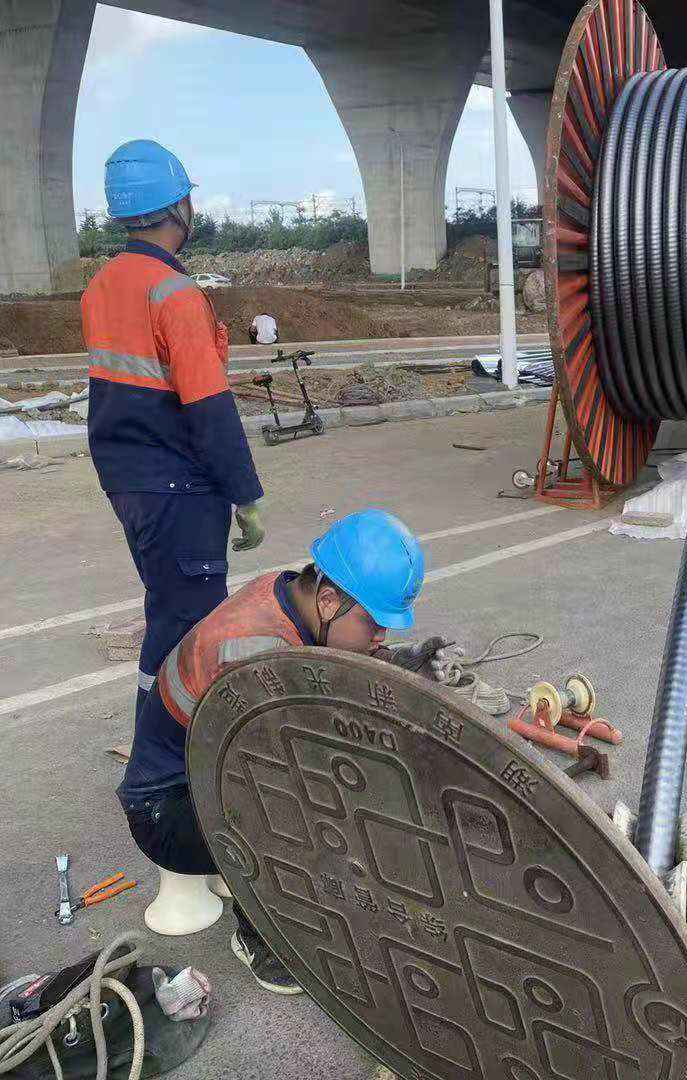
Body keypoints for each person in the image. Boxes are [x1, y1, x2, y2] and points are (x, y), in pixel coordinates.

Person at [119, 509, 448, 994]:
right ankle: (262, 938)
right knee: (315, 812)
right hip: (163, 812)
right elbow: (287, 772)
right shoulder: (258, 656)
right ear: (329, 600)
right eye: (374, 624)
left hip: (198, 773)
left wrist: (394, 665)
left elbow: (321, 666)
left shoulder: (288, 593)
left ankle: (237, 872)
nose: (382, 636)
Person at [82, 139, 267, 734]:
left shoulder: (104, 285)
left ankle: (157, 739)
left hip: (129, 481)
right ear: (178, 206)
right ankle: (165, 759)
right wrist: (245, 494)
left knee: (168, 612)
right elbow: (209, 407)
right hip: (178, 485)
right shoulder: (175, 293)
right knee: (191, 629)